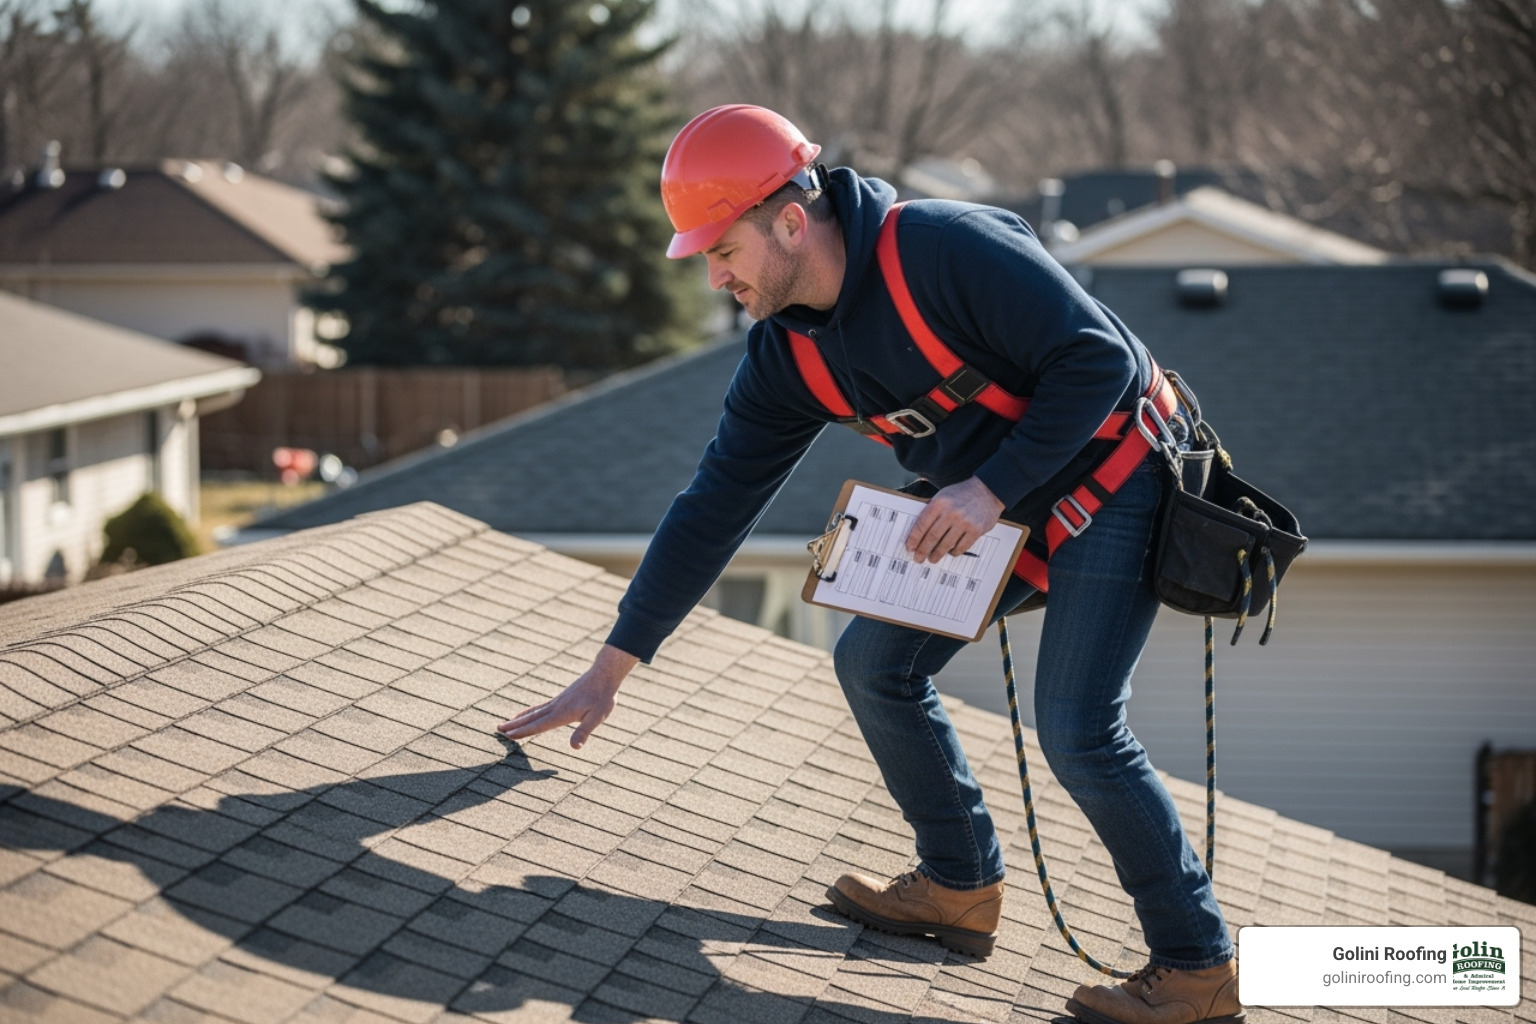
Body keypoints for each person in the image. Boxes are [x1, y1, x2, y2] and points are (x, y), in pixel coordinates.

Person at [498, 104, 1242, 1024]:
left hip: (1120, 473)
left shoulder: (944, 249)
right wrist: (611, 668)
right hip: (999, 505)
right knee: (871, 662)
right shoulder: (783, 357)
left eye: (722, 251)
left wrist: (988, 490)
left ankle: (1198, 968)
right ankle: (959, 882)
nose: (713, 276)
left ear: (790, 220)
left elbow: (1099, 362)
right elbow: (713, 508)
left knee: (1080, 730)